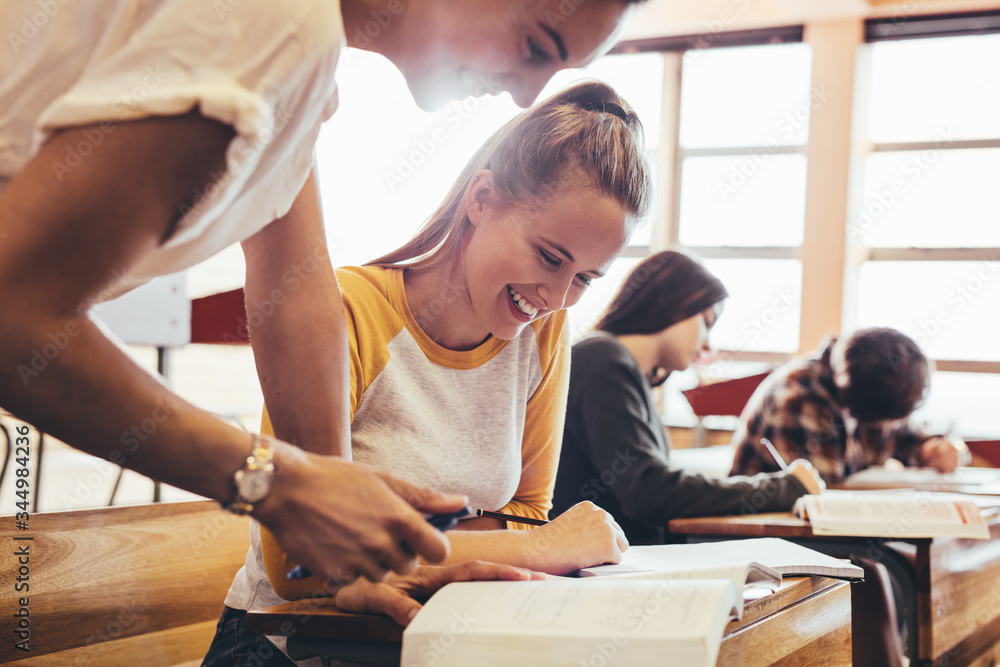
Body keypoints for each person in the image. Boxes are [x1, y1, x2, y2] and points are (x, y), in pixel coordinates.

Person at [0, 0, 646, 599]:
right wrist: (275, 480)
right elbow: (11, 314)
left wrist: (340, 536)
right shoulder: (276, 28)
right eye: (536, 45)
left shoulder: (302, 69)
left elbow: (292, 284)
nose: (527, 93)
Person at [204, 80, 652, 665]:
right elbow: (300, 566)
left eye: (586, 279)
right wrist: (540, 548)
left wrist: (475, 546)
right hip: (288, 645)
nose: (557, 296)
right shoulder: (350, 310)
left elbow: (522, 513)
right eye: (549, 256)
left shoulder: (542, 333)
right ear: (481, 199)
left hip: (443, 630)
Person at [551, 251, 823, 545]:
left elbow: (652, 484)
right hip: (603, 569)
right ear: (672, 301)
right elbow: (650, 492)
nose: (707, 343)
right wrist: (784, 488)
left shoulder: (617, 366)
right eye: (706, 321)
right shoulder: (603, 361)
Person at [730, 327, 969, 485]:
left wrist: (936, 450)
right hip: (765, 532)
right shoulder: (799, 399)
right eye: (891, 421)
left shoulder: (874, 379)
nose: (896, 426)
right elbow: (825, 496)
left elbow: (911, 438)